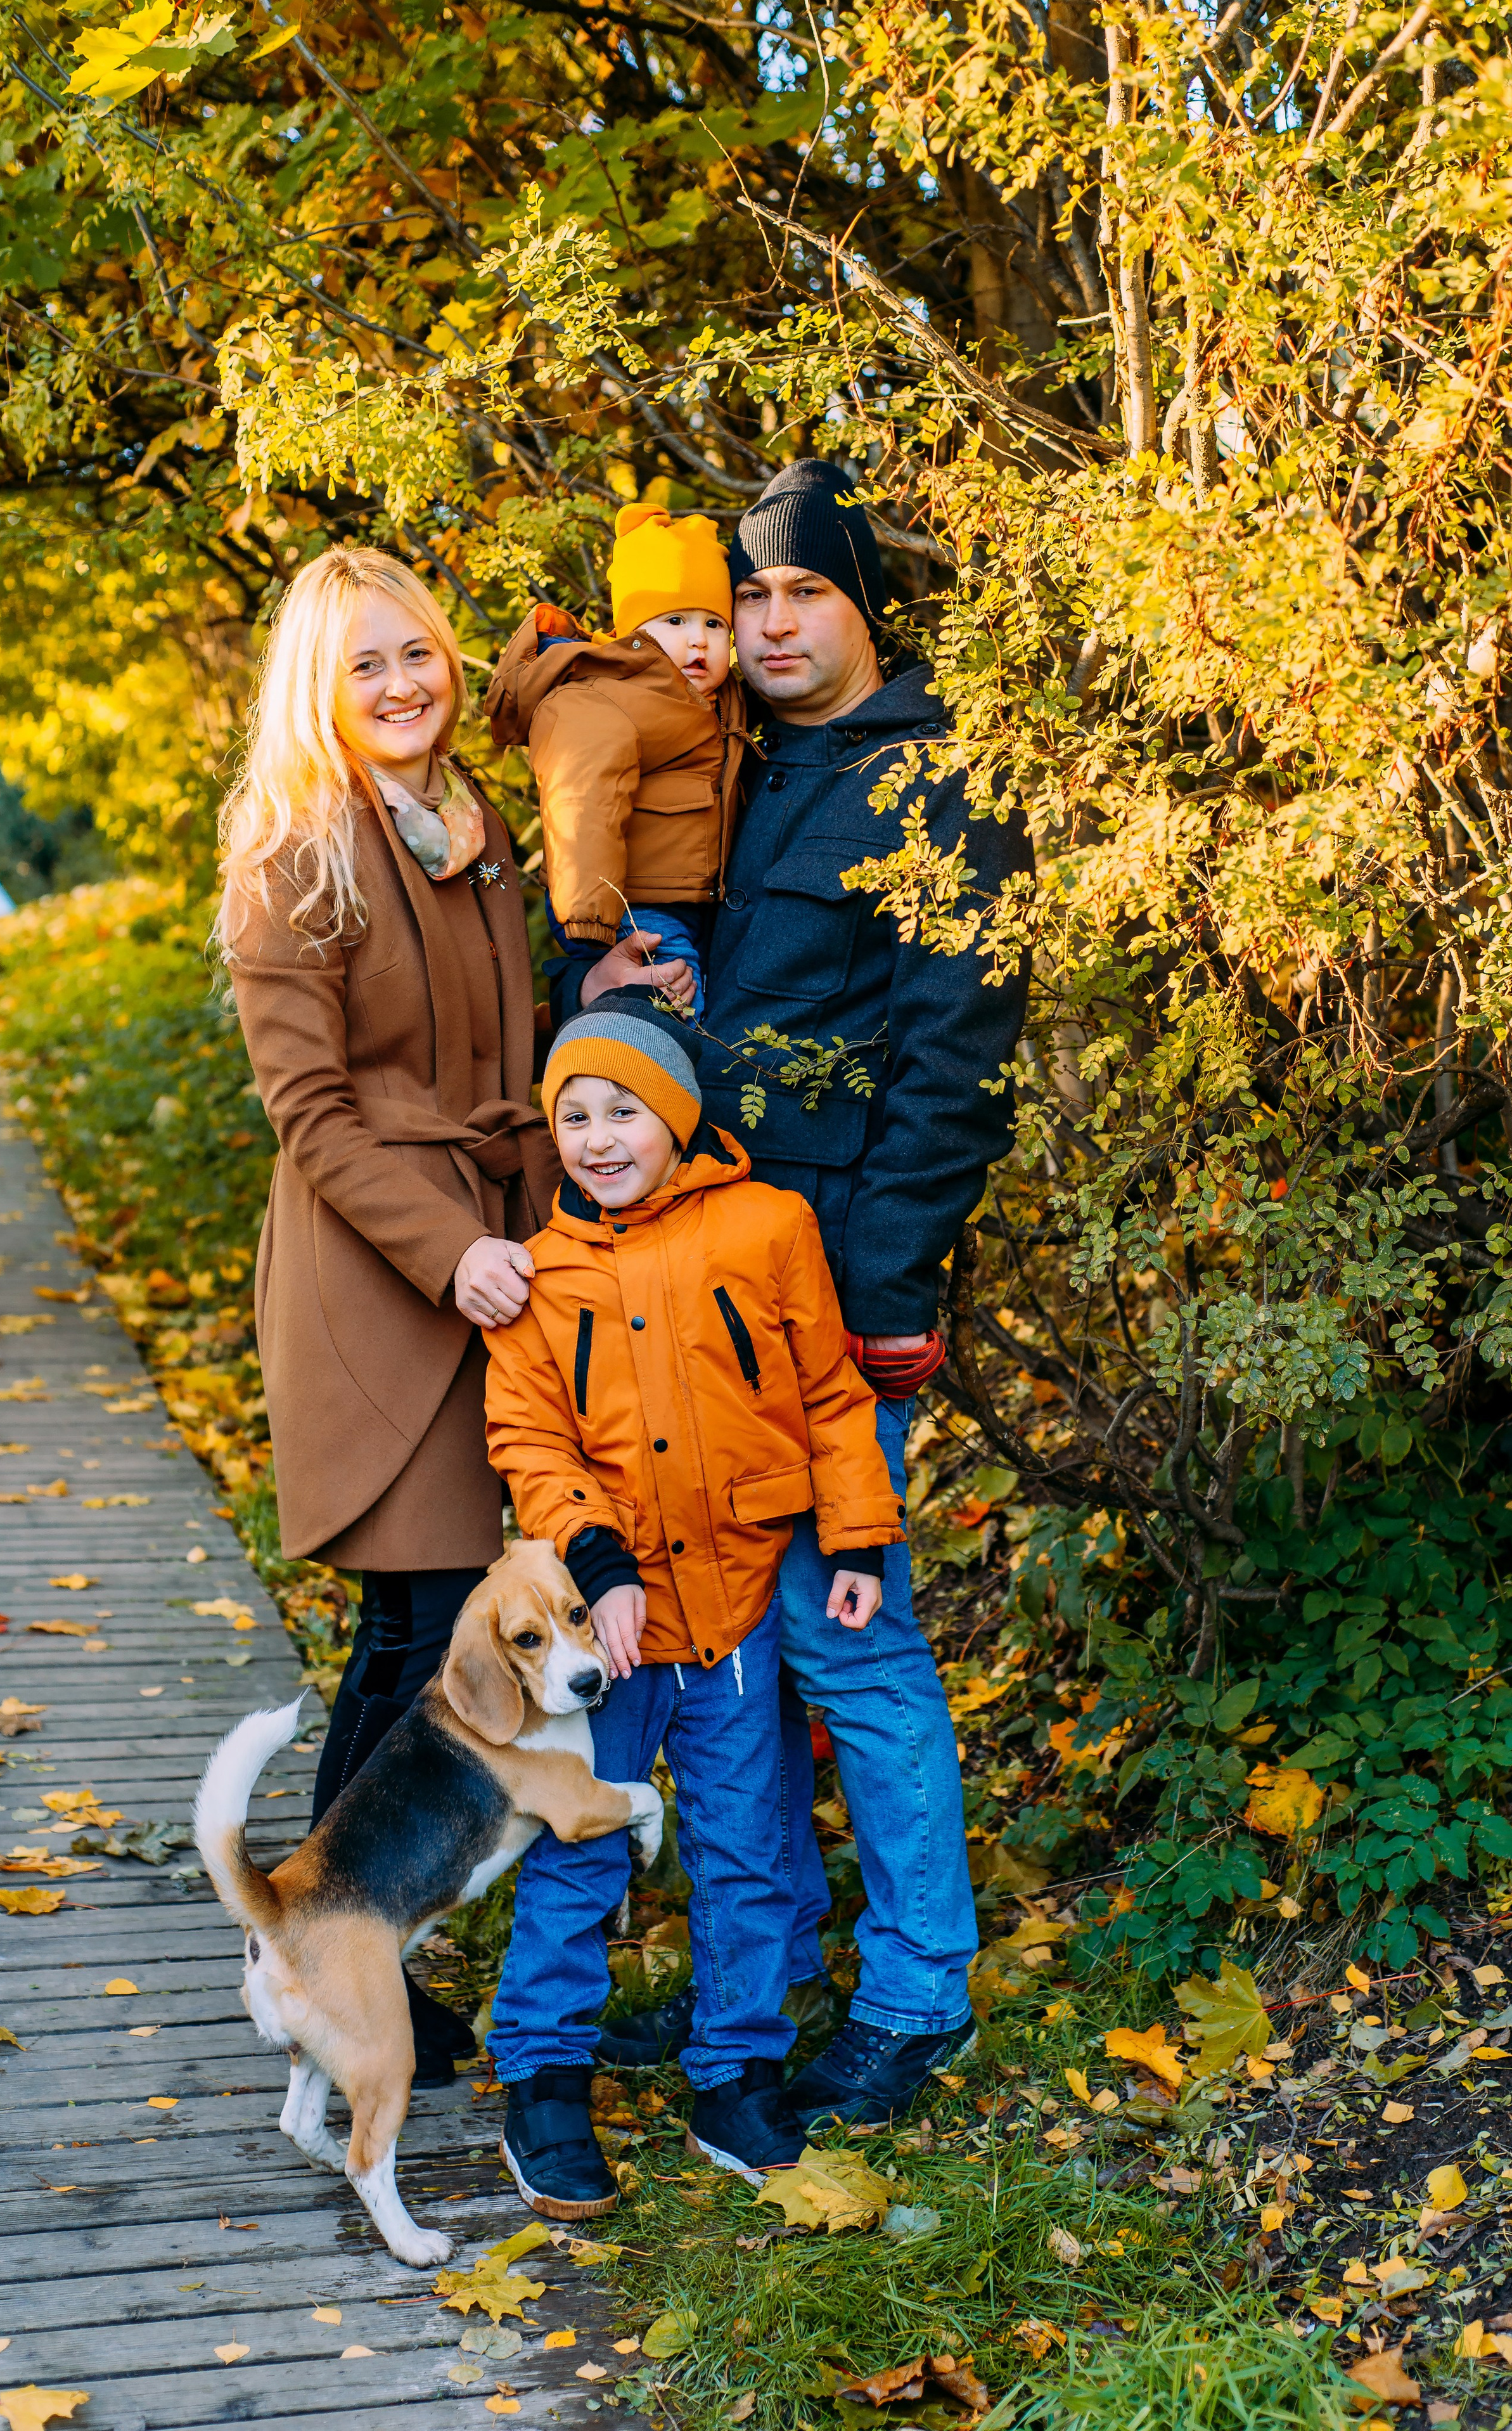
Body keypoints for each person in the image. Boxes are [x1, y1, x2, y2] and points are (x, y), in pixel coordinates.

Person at [551, 461, 1034, 2126]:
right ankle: (763, 1972)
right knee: (726, 1656)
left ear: (861, 607)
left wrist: (893, 1283)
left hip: (831, 1307)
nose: (767, 623)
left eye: (800, 594)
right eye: (749, 597)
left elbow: (955, 1064)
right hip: (698, 1294)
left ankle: (914, 1996)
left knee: (855, 1652)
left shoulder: (936, 782)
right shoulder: (752, 766)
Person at [214, 545, 560, 2086]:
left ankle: (324, 1933)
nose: (405, 684)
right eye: (365, 665)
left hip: (500, 1239)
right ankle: (326, 1945)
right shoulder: (291, 852)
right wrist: (450, 1251)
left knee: (414, 1621)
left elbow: (510, 1041)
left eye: (417, 653)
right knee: (421, 1614)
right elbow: (314, 1109)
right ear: (318, 688)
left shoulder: (472, 827)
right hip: (382, 1268)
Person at [480, 993, 902, 2210]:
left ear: (676, 1120)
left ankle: (737, 2067)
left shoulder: (766, 1228)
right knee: (579, 1847)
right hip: (602, 1636)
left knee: (746, 1843)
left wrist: (859, 1537)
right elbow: (528, 1438)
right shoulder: (539, 1276)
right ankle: (545, 2077)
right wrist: (599, 1564)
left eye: (625, 1111)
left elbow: (828, 1395)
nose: (599, 1138)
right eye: (573, 1116)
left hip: (736, 1613)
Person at [485, 504, 748, 1015]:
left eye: (714, 624)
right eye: (675, 620)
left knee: (695, 999)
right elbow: (584, 801)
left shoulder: (720, 700)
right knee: (676, 1006)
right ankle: (652, 1088)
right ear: (635, 632)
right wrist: (588, 920)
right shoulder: (609, 697)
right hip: (628, 908)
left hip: (692, 902)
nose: (699, 638)